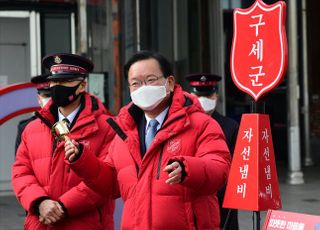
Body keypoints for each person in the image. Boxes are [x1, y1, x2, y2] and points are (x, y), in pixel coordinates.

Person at [64, 50, 231, 229]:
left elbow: (220, 168)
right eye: (135, 83)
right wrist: (82, 158)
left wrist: (188, 168)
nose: (143, 87)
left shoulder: (201, 124)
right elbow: (111, 184)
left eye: (151, 80)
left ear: (170, 83)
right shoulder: (124, 132)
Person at [12, 53, 115, 229]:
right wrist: (40, 202)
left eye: (65, 82)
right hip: (40, 223)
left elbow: (108, 180)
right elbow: (21, 171)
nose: (57, 87)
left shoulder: (107, 127)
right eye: (54, 82)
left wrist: (62, 207)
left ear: (82, 85)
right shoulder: (32, 128)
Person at [186, 73, 239, 230]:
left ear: (216, 95)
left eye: (208, 95)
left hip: (223, 202)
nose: (204, 100)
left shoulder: (231, 127)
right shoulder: (182, 125)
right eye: (198, 95)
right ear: (191, 96)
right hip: (190, 199)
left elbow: (237, 168)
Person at [15, 74, 51, 153]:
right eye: (47, 96)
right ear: (39, 99)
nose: (50, 100)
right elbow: (20, 163)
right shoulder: (25, 127)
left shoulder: (69, 121)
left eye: (53, 95)